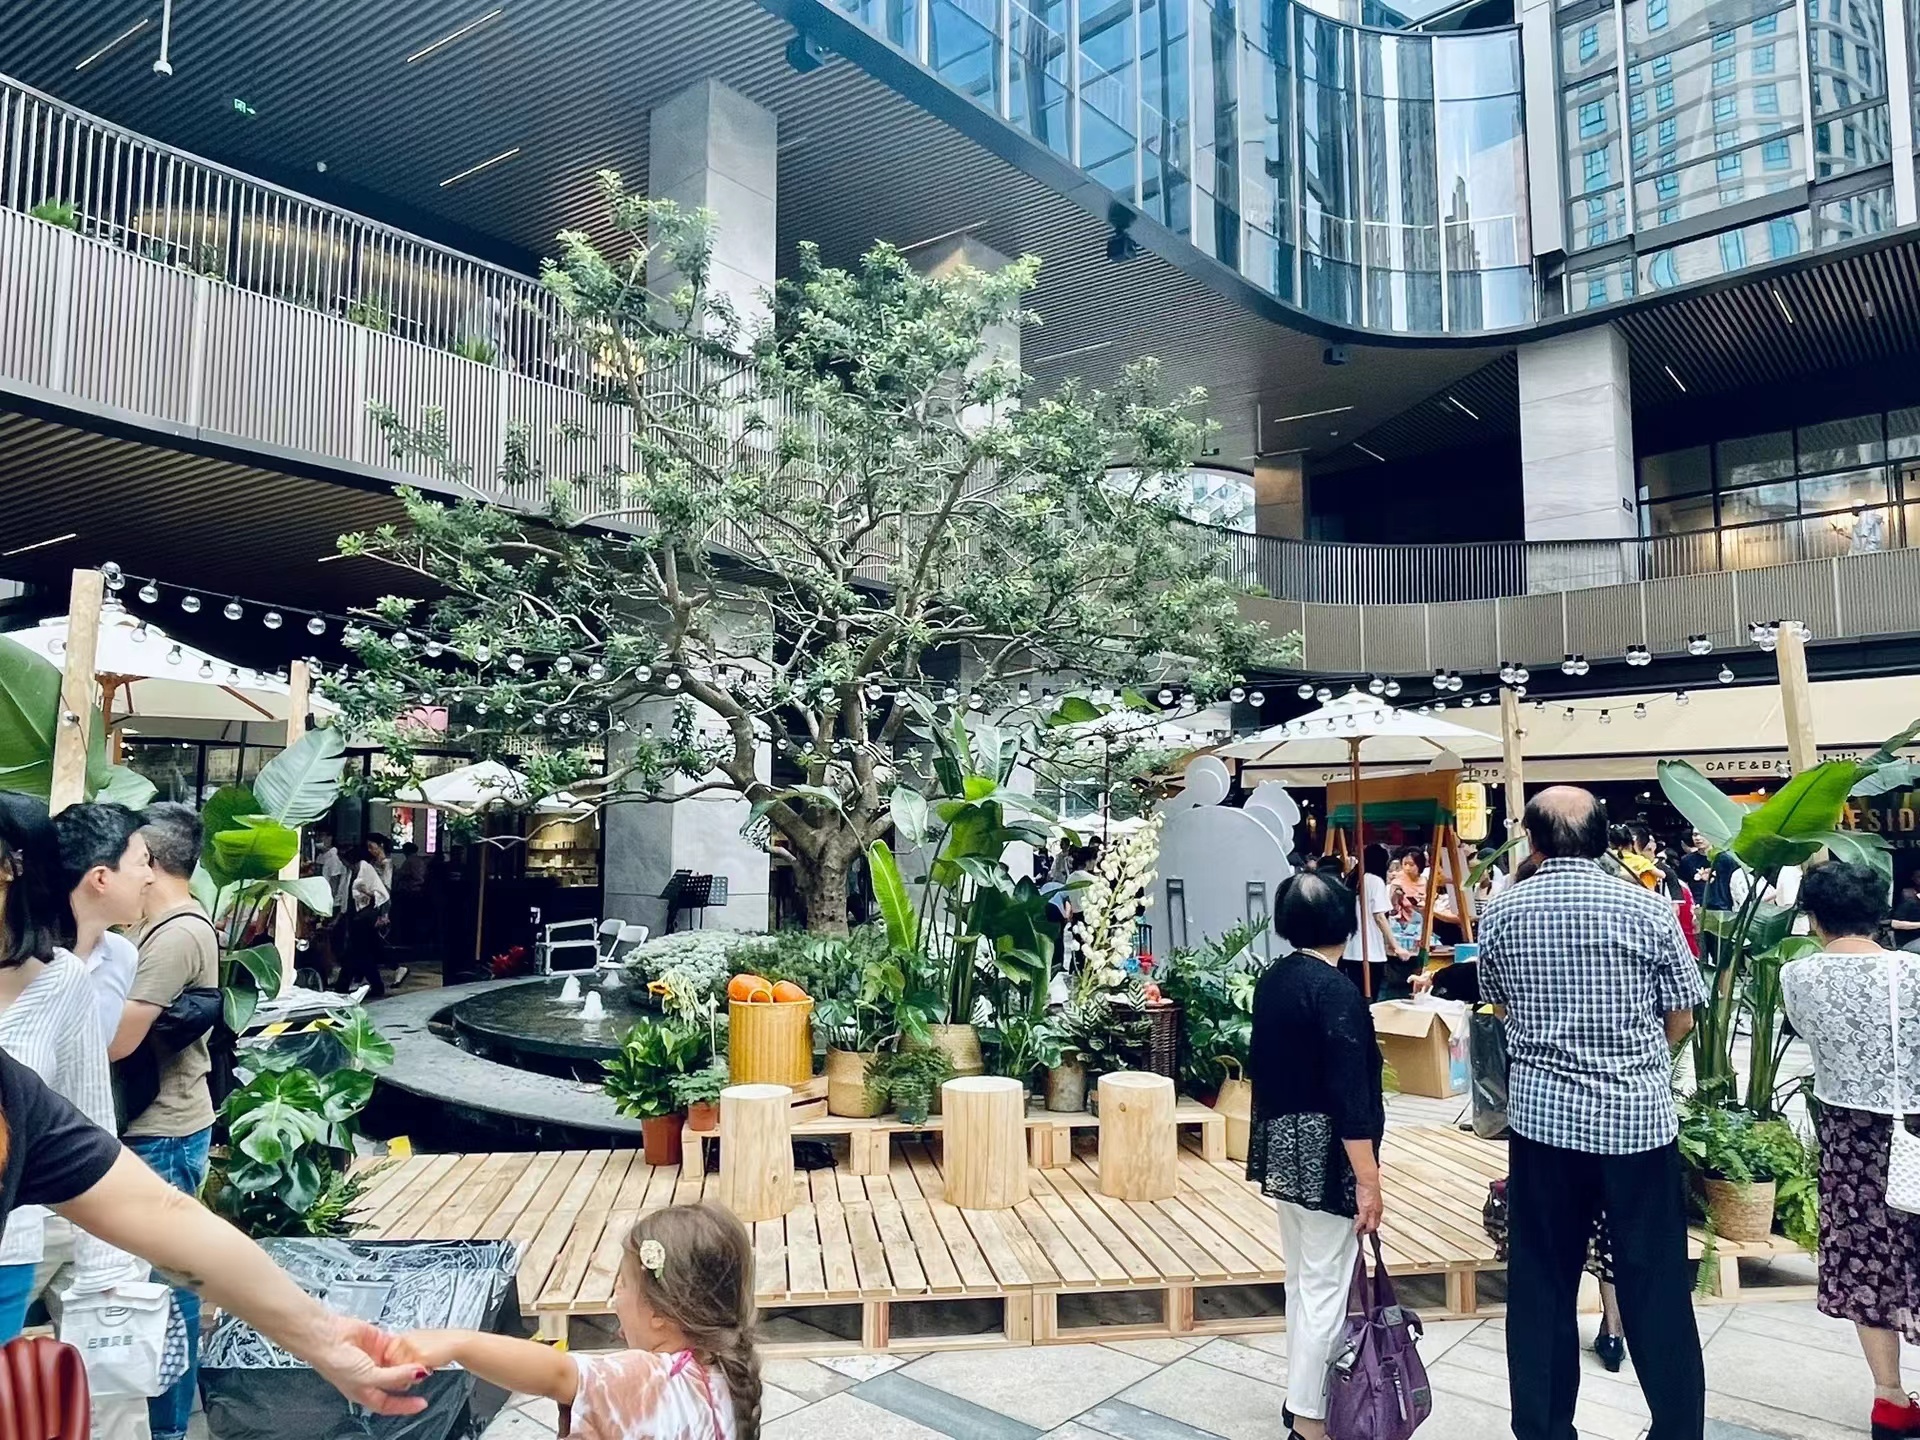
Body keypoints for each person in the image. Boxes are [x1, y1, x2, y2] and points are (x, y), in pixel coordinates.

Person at [1477, 786, 1705, 1440]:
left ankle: (1546, 1429)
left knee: (1542, 1281)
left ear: (1533, 841)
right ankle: (1676, 1430)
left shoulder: (1502, 911)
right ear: (1605, 840)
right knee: (1656, 1283)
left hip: (1544, 1123)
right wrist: (1633, 1059)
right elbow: (1682, 1016)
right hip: (1636, 1123)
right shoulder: (1649, 909)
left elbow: (1499, 1004)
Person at [0, 793, 143, 1406]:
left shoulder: (62, 983)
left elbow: (92, 1123)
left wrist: (107, 1270)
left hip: (7, 1249)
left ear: (12, 870)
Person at [399, 1202, 761, 1440]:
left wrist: (459, 1343)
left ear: (661, 1314)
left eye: (623, 1283)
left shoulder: (650, 1378)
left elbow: (557, 1373)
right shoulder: (724, 1371)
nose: (615, 1294)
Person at [1780, 860, 1920, 1440]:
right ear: (1879, 913)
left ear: (1814, 919)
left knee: (1868, 1258)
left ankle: (1890, 1399)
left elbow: (1808, 1035)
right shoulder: (1912, 971)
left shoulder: (1798, 977)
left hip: (1849, 1140)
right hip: (1915, 1129)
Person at [1245, 870, 1384, 1440]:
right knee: (1325, 1283)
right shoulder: (1335, 991)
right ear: (1345, 922)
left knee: (1303, 1279)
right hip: (1328, 1151)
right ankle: (1309, 1419)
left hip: (1284, 1144)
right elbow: (1351, 1094)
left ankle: (1300, 1395)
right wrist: (1368, 1178)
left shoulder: (1274, 979)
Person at [111, 802, 221, 1440]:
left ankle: (169, 1429)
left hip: (165, 1131)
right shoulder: (152, 926)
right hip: (157, 1128)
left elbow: (117, 1042)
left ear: (148, 858)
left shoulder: (177, 933)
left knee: (169, 1287)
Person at [52, 803, 151, 1043]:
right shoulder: (22, 958)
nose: (151, 877)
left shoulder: (122, 956)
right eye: (142, 863)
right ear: (101, 878)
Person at [1341, 842, 1407, 994]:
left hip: (1351, 949)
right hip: (1370, 950)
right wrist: (1396, 946)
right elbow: (1379, 916)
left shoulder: (1354, 879)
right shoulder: (1375, 881)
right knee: (1371, 994)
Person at [337, 839, 394, 999]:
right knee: (360, 953)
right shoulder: (354, 871)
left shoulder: (365, 869)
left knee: (357, 952)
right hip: (357, 916)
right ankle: (369, 985)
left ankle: (344, 985)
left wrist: (382, 913)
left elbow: (382, 894)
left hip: (365, 917)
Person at [1675, 832, 1712, 904]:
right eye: (1695, 835)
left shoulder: (1723, 859)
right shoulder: (1687, 860)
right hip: (1696, 904)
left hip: (1721, 906)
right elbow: (1682, 884)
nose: (1698, 838)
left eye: (1702, 834)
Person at [1892, 872, 1920, 953]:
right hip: (1909, 941)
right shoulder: (1908, 898)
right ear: (1913, 879)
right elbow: (1895, 923)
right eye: (1919, 877)